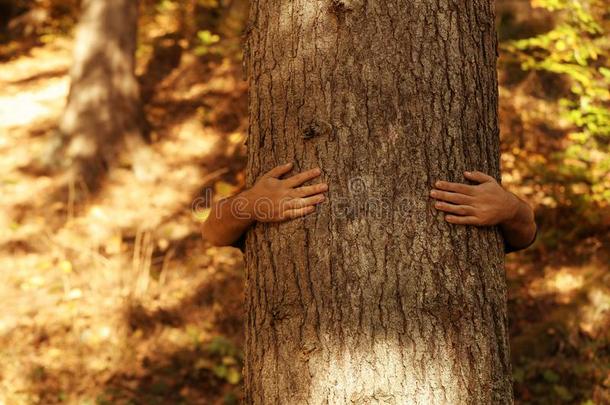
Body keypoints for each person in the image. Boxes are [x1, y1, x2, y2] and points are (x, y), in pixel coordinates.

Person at [201, 162, 537, 252]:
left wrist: (512, 209)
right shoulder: (280, 195)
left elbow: (524, 235)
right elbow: (212, 231)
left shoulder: (471, 195)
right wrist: (248, 203)